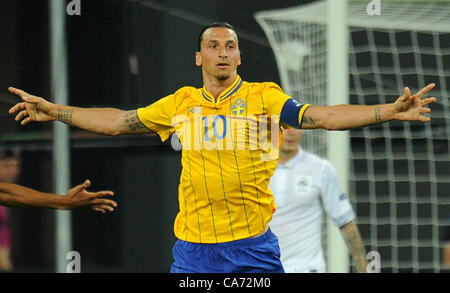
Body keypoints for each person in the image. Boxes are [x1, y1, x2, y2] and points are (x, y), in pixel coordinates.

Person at [7, 22, 436, 273]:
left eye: (231, 46)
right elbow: (119, 122)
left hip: (252, 248)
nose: (223, 53)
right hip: (194, 252)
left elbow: (323, 117)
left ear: (239, 58)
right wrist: (56, 110)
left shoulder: (265, 98)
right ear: (198, 58)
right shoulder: (181, 104)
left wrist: (386, 110)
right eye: (213, 46)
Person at [269, 128, 367, 273]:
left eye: (295, 126)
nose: (291, 132)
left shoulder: (321, 169)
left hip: (307, 268)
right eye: (285, 126)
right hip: (264, 269)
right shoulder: (254, 169)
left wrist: (364, 269)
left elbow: (346, 223)